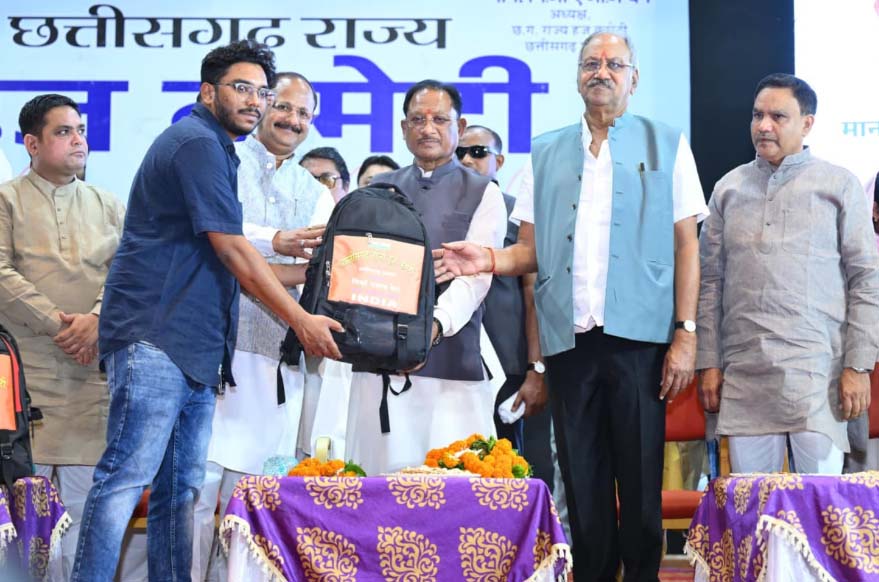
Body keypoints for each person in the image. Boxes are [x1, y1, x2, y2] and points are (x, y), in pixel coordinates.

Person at [437, 32, 708, 581]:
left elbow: (687, 244)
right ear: (578, 75)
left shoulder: (667, 143)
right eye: (590, 63)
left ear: (634, 78)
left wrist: (686, 331)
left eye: (614, 64)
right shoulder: (545, 151)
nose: (601, 72)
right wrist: (487, 258)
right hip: (571, 343)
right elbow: (530, 253)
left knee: (640, 486)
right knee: (582, 485)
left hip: (640, 341)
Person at [72, 41, 342, 581]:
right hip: (156, 336)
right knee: (125, 479)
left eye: (261, 91)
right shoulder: (195, 142)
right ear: (207, 91)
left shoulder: (219, 149)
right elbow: (234, 250)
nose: (254, 101)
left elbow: (234, 258)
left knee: (180, 491)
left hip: (195, 346)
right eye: (242, 88)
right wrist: (300, 319)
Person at [696, 73, 879, 475]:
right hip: (745, 377)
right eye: (757, 115)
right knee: (752, 504)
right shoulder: (728, 189)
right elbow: (709, 284)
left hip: (818, 377)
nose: (764, 126)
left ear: (807, 123)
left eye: (778, 117)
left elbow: (866, 281)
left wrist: (858, 366)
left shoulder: (839, 185)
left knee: (818, 505)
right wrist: (708, 363)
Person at [191, 71, 335, 582]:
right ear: (262, 105)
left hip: (276, 360)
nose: (292, 120)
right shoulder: (220, 162)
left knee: (254, 500)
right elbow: (212, 238)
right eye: (284, 107)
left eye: (304, 113)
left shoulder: (316, 194)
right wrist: (274, 244)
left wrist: (257, 265)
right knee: (196, 494)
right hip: (212, 352)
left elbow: (313, 271)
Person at [345, 79, 507, 476]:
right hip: (378, 363)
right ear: (404, 129)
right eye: (417, 119)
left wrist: (432, 326)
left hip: (452, 361)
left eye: (439, 119)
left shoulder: (484, 192)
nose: (428, 128)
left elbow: (475, 280)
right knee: (376, 484)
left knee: (455, 488)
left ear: (460, 126)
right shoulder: (378, 190)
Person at [0, 94, 125, 580]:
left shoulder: (108, 205)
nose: (78, 141)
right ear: (32, 144)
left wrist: (97, 320)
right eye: (63, 132)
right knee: (22, 524)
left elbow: (128, 275)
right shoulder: (6, 200)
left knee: (86, 522)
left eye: (81, 131)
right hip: (22, 385)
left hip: (90, 382)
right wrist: (62, 326)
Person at [457, 125, 550, 471]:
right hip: (455, 364)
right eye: (460, 153)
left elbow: (535, 295)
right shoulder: (444, 213)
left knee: (517, 470)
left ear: (499, 161)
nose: (467, 160)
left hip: (510, 367)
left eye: (478, 152)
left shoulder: (519, 215)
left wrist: (536, 369)